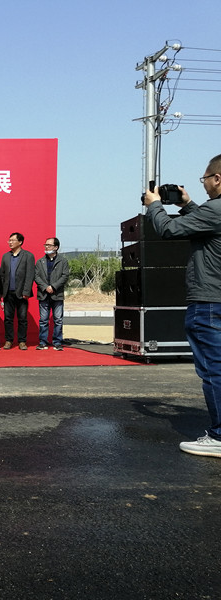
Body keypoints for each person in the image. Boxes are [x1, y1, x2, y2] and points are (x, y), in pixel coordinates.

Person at [144, 153, 221, 457]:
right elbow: (207, 223)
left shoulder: (216, 209)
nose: (203, 184)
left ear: (217, 179)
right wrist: (188, 205)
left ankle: (219, 437)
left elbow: (169, 230)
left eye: (205, 178)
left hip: (209, 301)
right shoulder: (213, 212)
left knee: (214, 370)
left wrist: (154, 205)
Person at [0, 232, 35, 350]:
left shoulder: (28, 256)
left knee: (22, 318)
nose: (10, 242)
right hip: (8, 292)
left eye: (12, 240)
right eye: (9, 240)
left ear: (20, 242)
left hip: (21, 292)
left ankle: (22, 341)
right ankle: (9, 340)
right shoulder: (6, 256)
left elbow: (30, 275)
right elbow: (2, 275)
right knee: (8, 318)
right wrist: (2, 291)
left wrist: (26, 291)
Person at [34, 237, 70, 351]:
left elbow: (65, 276)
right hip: (43, 294)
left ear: (56, 247)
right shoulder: (40, 261)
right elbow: (36, 276)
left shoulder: (62, 261)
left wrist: (53, 286)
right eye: (46, 245)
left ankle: (57, 342)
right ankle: (43, 342)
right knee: (43, 320)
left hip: (57, 294)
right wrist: (45, 287)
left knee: (58, 319)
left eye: (49, 245)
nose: (46, 247)